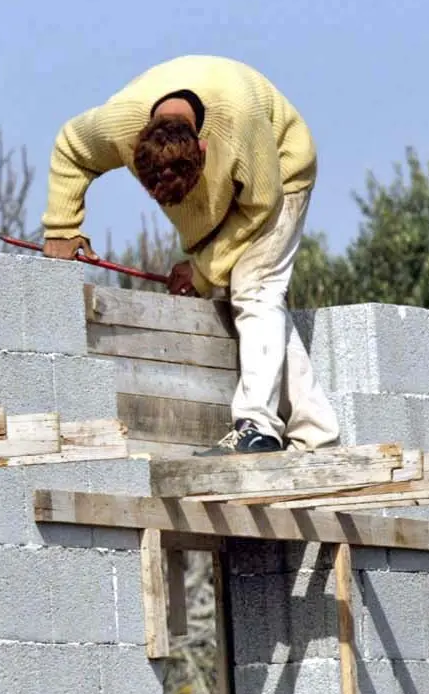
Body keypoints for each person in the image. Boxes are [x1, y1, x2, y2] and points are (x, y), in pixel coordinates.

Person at [41, 55, 340, 454]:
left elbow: (261, 205)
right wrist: (62, 228)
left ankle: (258, 424)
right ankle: (317, 432)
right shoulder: (118, 124)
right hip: (234, 186)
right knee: (247, 302)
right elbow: (71, 147)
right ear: (134, 145)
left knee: (256, 289)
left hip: (279, 178)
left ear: (202, 148)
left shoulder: (239, 123)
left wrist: (202, 270)